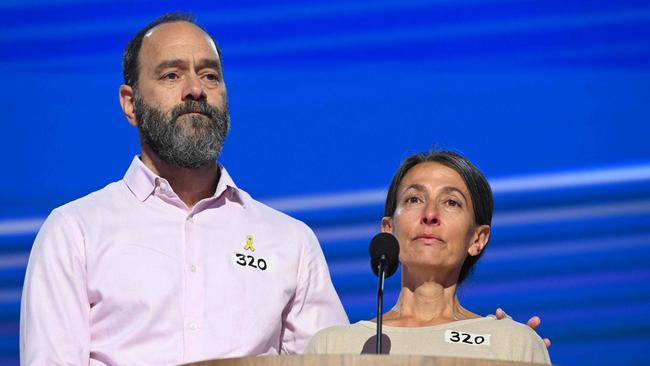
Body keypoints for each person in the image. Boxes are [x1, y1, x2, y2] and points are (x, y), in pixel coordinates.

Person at [19, 13, 348, 365]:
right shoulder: (74, 232)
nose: (196, 90)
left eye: (210, 76)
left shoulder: (290, 242)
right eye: (171, 75)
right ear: (130, 104)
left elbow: (331, 360)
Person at [306, 150, 552, 364]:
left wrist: (512, 343)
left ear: (478, 239)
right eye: (414, 199)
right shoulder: (332, 346)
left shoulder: (512, 343)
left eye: (451, 202)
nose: (430, 214)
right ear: (388, 230)